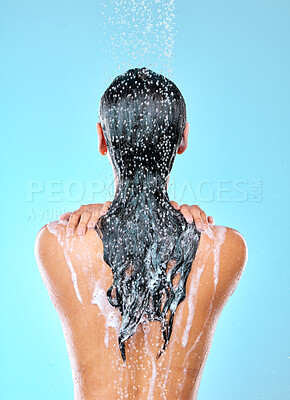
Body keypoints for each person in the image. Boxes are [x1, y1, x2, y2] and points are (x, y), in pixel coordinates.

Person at [35, 68, 247, 400]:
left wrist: (108, 208)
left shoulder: (58, 243)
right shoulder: (227, 248)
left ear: (102, 139)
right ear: (183, 140)